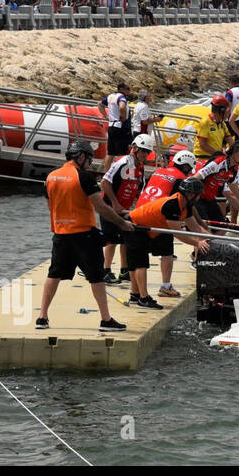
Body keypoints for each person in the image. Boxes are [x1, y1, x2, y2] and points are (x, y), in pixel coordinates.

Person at [36, 140, 132, 331]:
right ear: (81, 157)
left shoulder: (51, 177)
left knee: (54, 274)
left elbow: (51, 206)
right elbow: (101, 208)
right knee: (96, 277)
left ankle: (42, 317)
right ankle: (106, 320)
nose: (89, 163)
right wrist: (122, 223)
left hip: (61, 234)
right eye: (89, 159)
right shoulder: (84, 177)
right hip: (84, 235)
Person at [126, 176, 213, 303]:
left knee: (141, 263)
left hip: (150, 228)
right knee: (140, 264)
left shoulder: (185, 205)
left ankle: (135, 295)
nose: (199, 198)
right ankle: (143, 298)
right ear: (190, 194)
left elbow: (196, 228)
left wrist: (212, 239)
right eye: (198, 195)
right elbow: (178, 234)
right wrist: (197, 243)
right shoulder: (172, 205)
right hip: (135, 226)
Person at [99, 132, 154, 286]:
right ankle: (106, 270)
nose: (145, 154)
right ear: (135, 148)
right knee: (111, 240)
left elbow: (139, 190)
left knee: (126, 238)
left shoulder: (140, 167)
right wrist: (115, 203)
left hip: (125, 209)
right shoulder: (121, 162)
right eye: (143, 151)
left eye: (147, 152)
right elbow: (104, 182)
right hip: (109, 207)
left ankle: (124, 270)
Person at [194, 95, 234, 161]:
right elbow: (203, 144)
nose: (228, 114)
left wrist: (238, 150)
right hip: (203, 158)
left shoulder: (222, 124)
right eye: (227, 111)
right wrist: (219, 154)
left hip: (215, 157)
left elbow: (230, 140)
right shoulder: (205, 122)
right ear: (221, 111)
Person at [105, 83, 131, 156]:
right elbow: (122, 107)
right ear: (121, 89)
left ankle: (107, 168)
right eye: (127, 89)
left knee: (110, 153)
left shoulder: (111, 96)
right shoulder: (122, 97)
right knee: (122, 153)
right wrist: (123, 117)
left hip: (111, 126)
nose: (129, 91)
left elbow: (100, 104)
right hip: (120, 127)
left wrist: (106, 116)